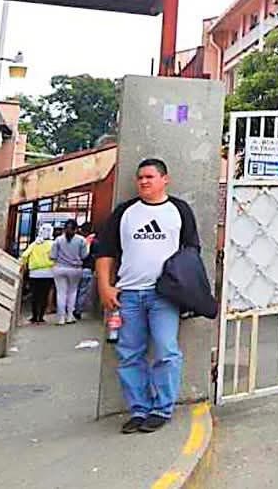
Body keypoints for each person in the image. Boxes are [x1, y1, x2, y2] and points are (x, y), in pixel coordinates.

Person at [97, 158, 200, 434]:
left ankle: (161, 409)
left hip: (164, 295)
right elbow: (105, 252)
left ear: (165, 179)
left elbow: (192, 251)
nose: (143, 181)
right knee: (129, 355)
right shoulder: (124, 212)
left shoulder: (179, 210)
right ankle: (139, 410)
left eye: (150, 177)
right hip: (128, 295)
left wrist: (186, 290)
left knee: (166, 351)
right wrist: (105, 286)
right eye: (140, 177)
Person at [50, 219, 89, 325]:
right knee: (72, 292)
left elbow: (52, 256)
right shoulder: (81, 240)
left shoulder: (58, 240)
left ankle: (61, 318)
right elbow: (84, 255)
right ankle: (70, 316)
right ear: (76, 229)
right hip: (75, 269)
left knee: (61, 293)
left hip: (59, 268)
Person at [20, 224, 55, 324]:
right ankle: (41, 317)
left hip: (34, 273)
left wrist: (24, 266)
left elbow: (24, 255)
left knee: (35, 295)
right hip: (48, 273)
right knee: (44, 295)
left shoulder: (34, 244)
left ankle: (34, 317)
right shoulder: (52, 244)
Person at [74, 224, 97, 321]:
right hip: (87, 269)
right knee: (82, 291)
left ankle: (69, 309)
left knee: (72, 290)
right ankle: (78, 310)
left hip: (75, 268)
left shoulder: (75, 241)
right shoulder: (94, 242)